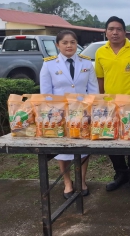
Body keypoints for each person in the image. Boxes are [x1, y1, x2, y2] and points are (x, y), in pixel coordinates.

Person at [40, 30, 99, 199]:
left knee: (84, 149)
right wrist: (53, 115)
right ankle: (67, 182)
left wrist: (91, 112)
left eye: (73, 42)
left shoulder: (86, 64)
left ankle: (81, 180)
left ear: (77, 45)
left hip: (83, 115)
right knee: (63, 150)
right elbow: (46, 94)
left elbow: (93, 90)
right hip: (60, 116)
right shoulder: (49, 64)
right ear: (58, 45)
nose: (69, 45)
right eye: (65, 42)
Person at [95, 16, 130, 193]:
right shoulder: (100, 52)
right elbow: (100, 79)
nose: (115, 32)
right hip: (108, 105)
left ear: (125, 32)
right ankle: (120, 173)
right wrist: (100, 102)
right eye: (111, 29)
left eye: (118, 29)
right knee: (110, 140)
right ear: (106, 32)